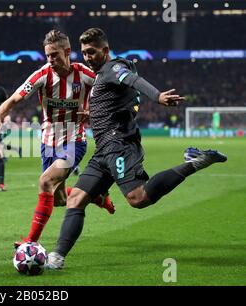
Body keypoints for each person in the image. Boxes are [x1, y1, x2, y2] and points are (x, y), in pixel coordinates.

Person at [46, 27, 227, 269]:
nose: (87, 57)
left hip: (118, 144)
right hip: (103, 150)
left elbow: (133, 80)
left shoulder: (113, 68)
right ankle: (56, 257)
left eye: (92, 52)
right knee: (76, 198)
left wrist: (158, 96)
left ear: (105, 50)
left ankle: (194, 161)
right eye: (84, 53)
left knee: (138, 198)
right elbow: (123, 100)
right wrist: (94, 114)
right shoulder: (102, 74)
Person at [0, 30, 115, 249]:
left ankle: (30, 243)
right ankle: (95, 196)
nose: (51, 60)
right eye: (47, 55)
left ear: (67, 52)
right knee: (58, 199)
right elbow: (13, 99)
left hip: (74, 141)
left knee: (45, 182)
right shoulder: (41, 75)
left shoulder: (84, 74)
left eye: (55, 55)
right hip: (48, 142)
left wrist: (93, 112)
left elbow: (111, 95)